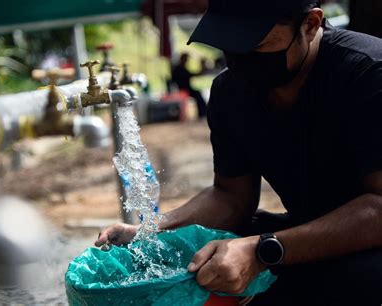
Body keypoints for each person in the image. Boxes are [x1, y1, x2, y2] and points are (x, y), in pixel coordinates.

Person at [96, 0, 382, 305]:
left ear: (310, 25)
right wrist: (151, 232)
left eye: (256, 44)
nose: (241, 60)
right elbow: (231, 196)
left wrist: (263, 251)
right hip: (306, 236)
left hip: (370, 245)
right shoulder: (232, 92)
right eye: (229, 45)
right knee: (205, 248)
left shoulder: (368, 73)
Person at [170, 52, 208, 118]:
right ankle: (203, 113)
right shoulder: (180, 68)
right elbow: (193, 75)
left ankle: (203, 113)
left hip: (184, 88)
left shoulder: (180, 68)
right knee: (198, 95)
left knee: (198, 94)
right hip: (183, 89)